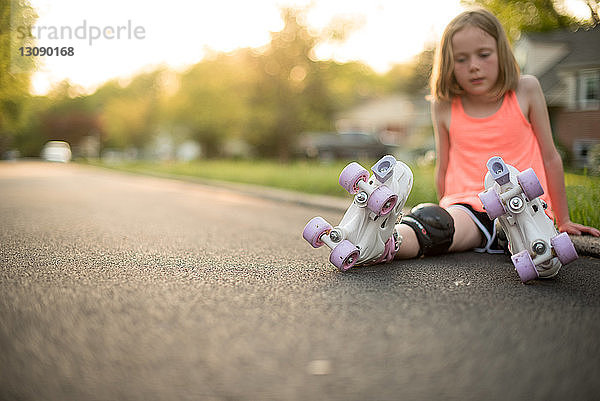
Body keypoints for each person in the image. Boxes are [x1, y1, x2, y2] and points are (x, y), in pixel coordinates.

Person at [392, 8, 599, 260]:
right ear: (448, 63)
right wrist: (445, 207)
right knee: (434, 227)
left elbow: (550, 157)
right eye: (461, 59)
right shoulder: (444, 104)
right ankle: (376, 245)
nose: (474, 66)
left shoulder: (526, 90)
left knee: (542, 254)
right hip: (469, 207)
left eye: (484, 55)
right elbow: (443, 165)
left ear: (501, 52)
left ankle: (520, 243)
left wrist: (563, 219)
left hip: (525, 206)